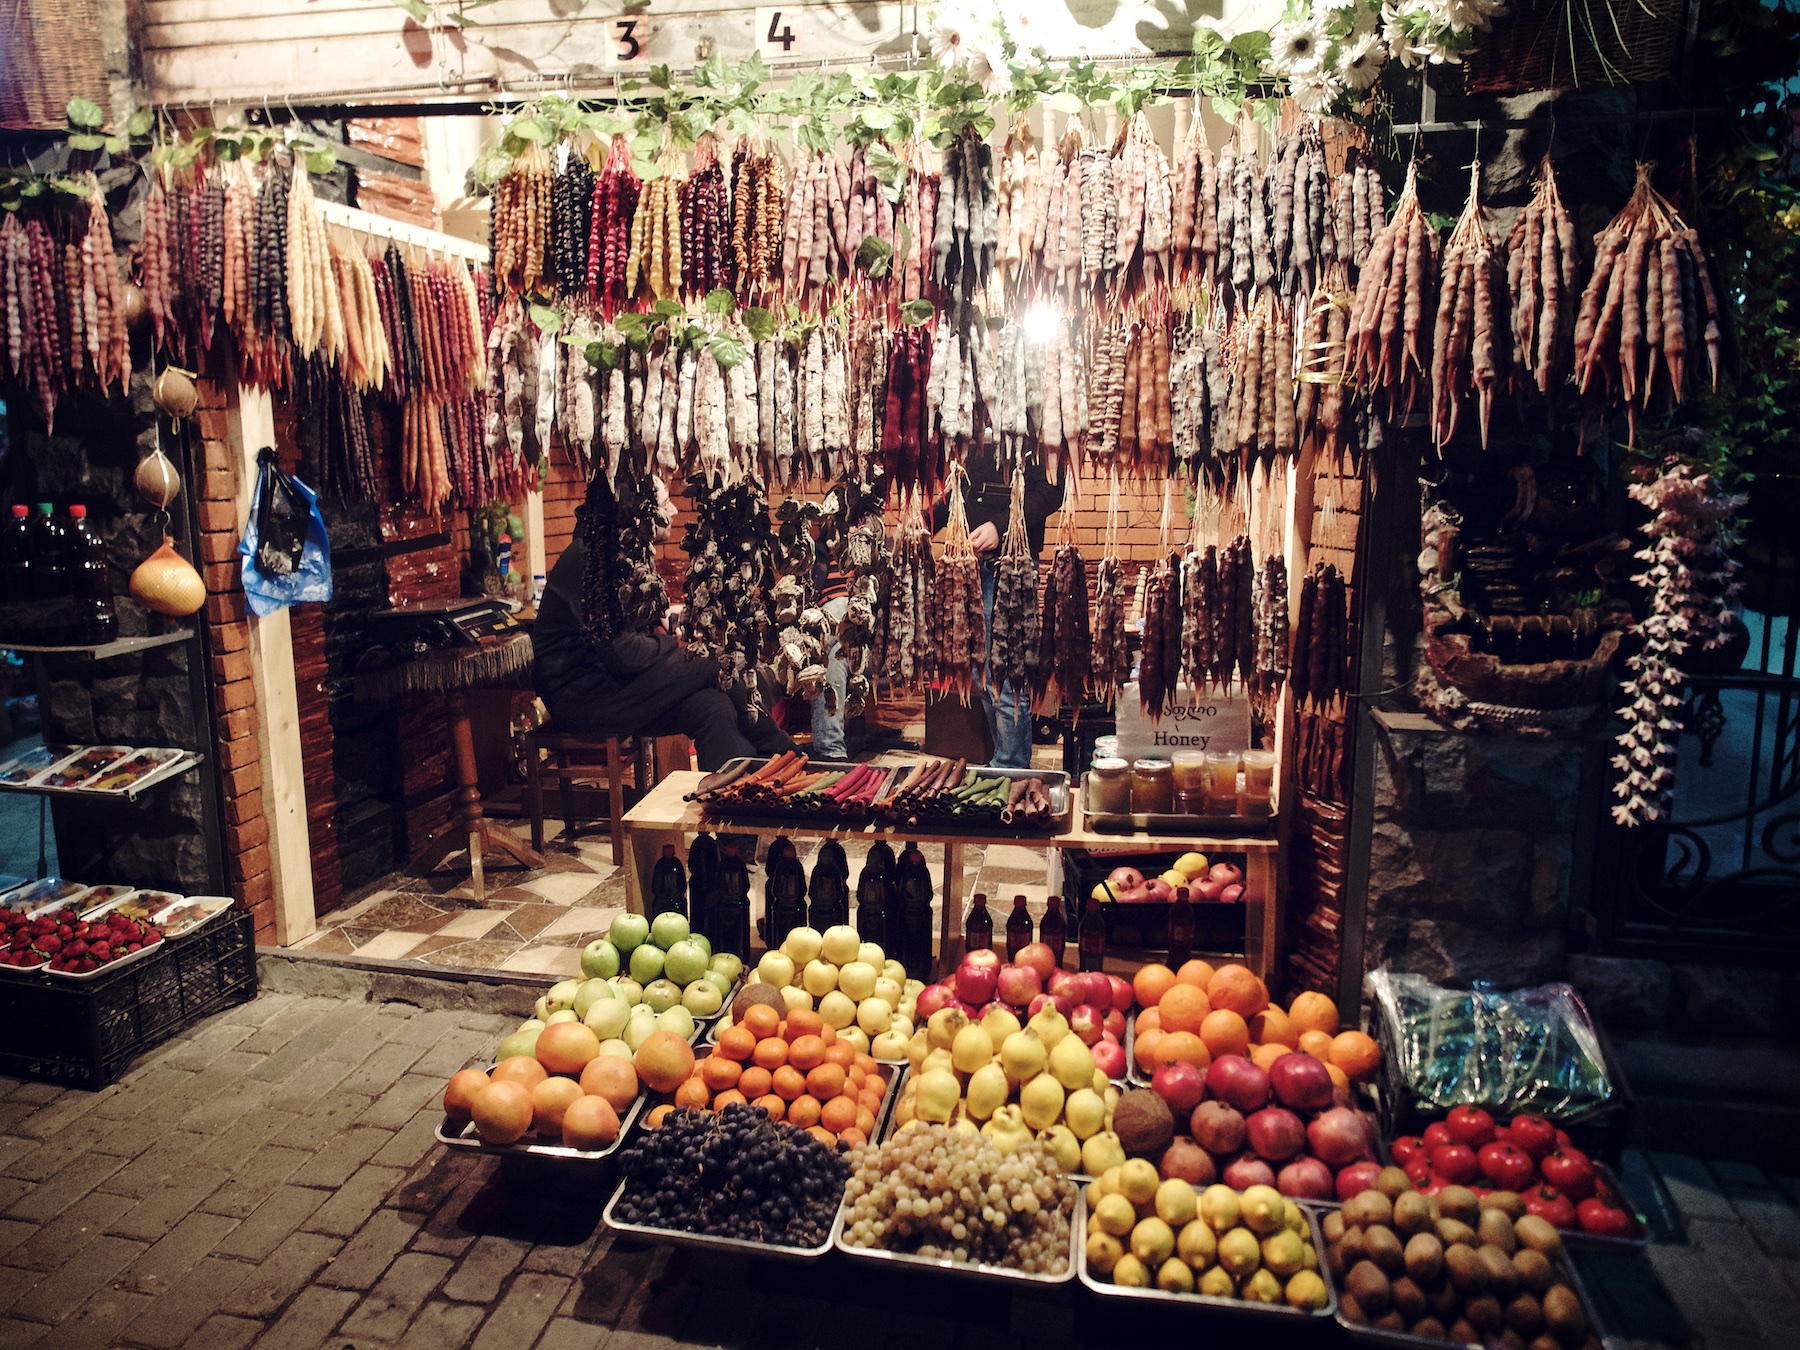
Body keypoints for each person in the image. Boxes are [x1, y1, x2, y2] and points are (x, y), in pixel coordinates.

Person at [532, 474, 794, 772]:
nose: (672, 512)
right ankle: (785, 754)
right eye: (664, 503)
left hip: (613, 687)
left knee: (713, 706)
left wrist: (669, 642)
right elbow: (623, 653)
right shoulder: (594, 558)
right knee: (717, 662)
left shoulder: (624, 553)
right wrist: (674, 646)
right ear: (637, 513)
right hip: (584, 699)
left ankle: (732, 796)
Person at [933, 447, 1063, 768]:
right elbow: (962, 494)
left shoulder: (1032, 433)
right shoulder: (978, 440)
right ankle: (1004, 761)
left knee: (1007, 678)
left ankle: (1011, 768)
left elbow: (1052, 492)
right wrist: (924, 520)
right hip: (973, 570)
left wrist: (999, 526)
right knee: (983, 678)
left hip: (1011, 568)